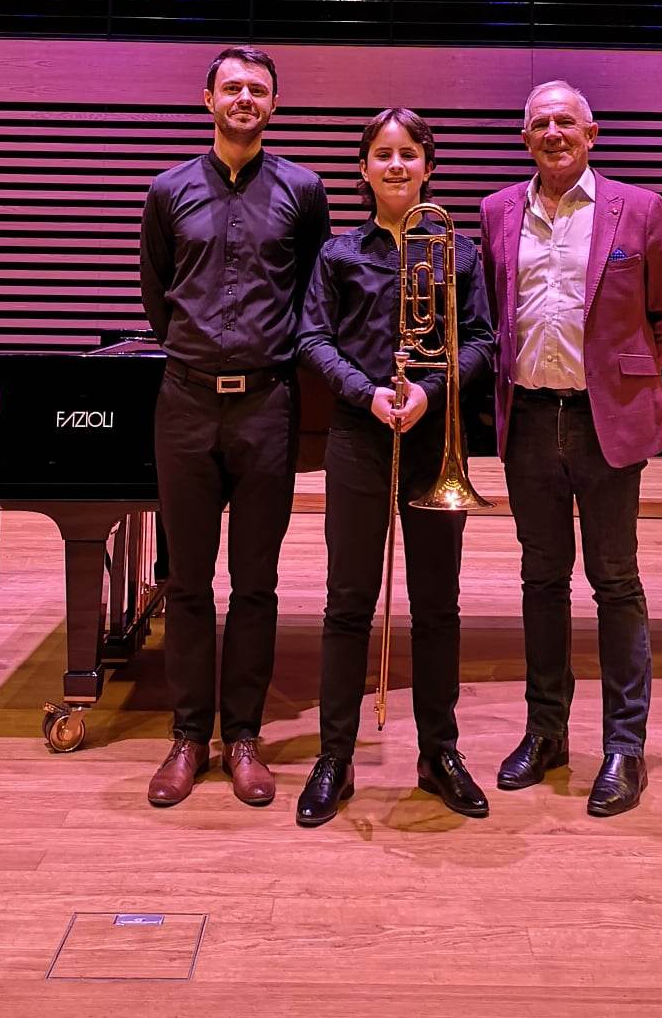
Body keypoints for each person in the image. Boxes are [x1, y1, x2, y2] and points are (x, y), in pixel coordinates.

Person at [478, 80, 662, 817]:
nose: (553, 132)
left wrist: (621, 380)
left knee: (615, 582)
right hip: (529, 421)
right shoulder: (496, 211)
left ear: (591, 133)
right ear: (525, 138)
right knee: (542, 581)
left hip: (605, 424)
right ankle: (546, 734)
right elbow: (491, 313)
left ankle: (624, 747)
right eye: (539, 123)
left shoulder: (640, 208)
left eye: (565, 121)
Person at [140, 46, 331, 810]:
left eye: (258, 89)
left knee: (256, 582)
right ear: (208, 99)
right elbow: (157, 292)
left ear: (274, 105)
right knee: (187, 581)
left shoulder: (304, 190)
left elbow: (314, 290)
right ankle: (189, 737)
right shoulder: (167, 190)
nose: (244, 98)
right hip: (185, 402)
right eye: (232, 87)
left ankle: (243, 736)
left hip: (266, 405)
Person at [294, 108, 496, 827]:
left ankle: (440, 752)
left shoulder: (458, 253)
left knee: (438, 606)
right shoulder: (338, 253)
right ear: (363, 168)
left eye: (409, 153)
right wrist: (367, 393)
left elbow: (482, 340)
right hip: (360, 434)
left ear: (428, 166)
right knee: (348, 602)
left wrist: (431, 390)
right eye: (382, 154)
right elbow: (312, 337)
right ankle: (335, 757)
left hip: (434, 437)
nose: (396, 165)